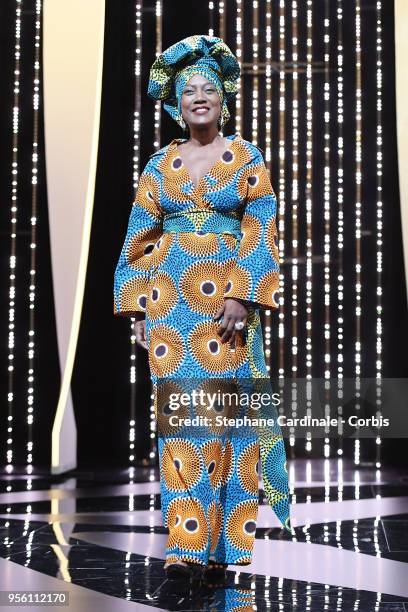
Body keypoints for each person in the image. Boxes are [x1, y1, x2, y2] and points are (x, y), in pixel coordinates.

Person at [113, 35, 291, 585]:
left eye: (208, 88)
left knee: (226, 425)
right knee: (182, 424)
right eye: (189, 89)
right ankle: (184, 547)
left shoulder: (246, 158)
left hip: (226, 305)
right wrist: (139, 309)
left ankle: (223, 550)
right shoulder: (159, 162)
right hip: (171, 308)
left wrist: (243, 293)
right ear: (175, 101)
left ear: (223, 99)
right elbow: (140, 239)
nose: (198, 96)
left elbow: (261, 226)